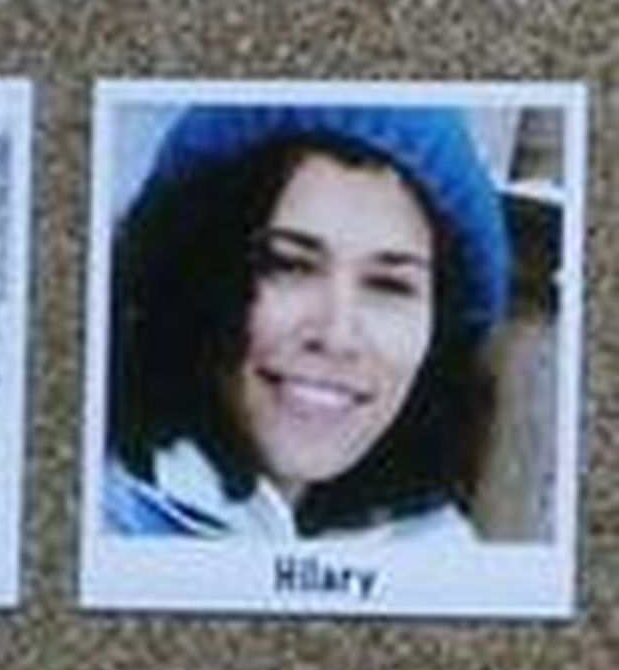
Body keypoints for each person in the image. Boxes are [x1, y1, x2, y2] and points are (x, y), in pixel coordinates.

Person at [104, 98, 510, 542]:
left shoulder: (441, 559)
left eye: (389, 286)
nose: (337, 335)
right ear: (191, 277)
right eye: (288, 266)